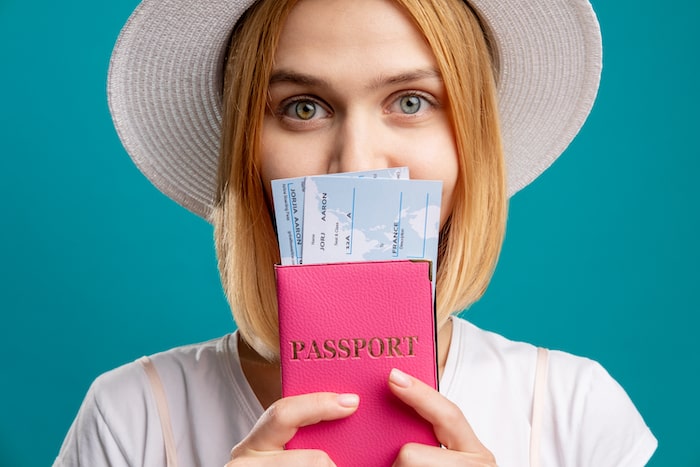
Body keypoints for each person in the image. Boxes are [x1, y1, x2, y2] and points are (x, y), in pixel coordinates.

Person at [55, 0, 657, 465]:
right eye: (303, 107)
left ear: (469, 144)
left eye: (413, 101)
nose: (359, 163)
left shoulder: (575, 412)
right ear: (248, 154)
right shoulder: (129, 416)